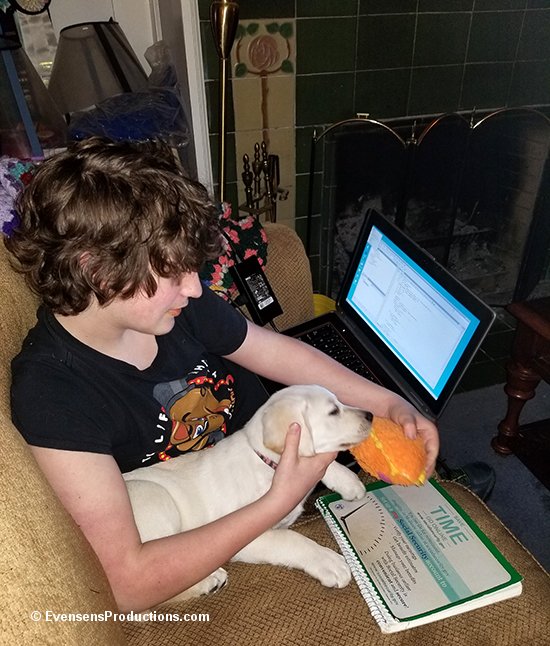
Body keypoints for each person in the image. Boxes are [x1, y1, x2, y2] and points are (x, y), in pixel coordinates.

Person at [5, 137, 439, 612]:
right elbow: (124, 583)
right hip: (237, 509)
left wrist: (387, 402)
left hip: (282, 450)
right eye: (175, 274)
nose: (195, 289)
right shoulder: (53, 393)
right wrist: (280, 500)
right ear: (98, 271)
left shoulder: (172, 311)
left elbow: (279, 355)